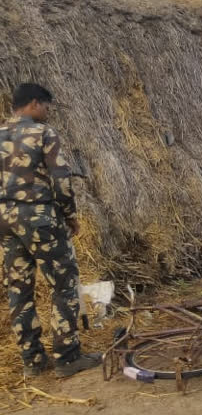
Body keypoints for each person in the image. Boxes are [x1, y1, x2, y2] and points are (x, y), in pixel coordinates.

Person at [0, 83, 101, 378]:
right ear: (34, 103)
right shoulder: (43, 133)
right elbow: (61, 178)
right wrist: (70, 215)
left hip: (4, 221)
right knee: (65, 284)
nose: (47, 113)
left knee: (18, 289)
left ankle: (32, 361)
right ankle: (67, 357)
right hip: (40, 218)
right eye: (46, 107)